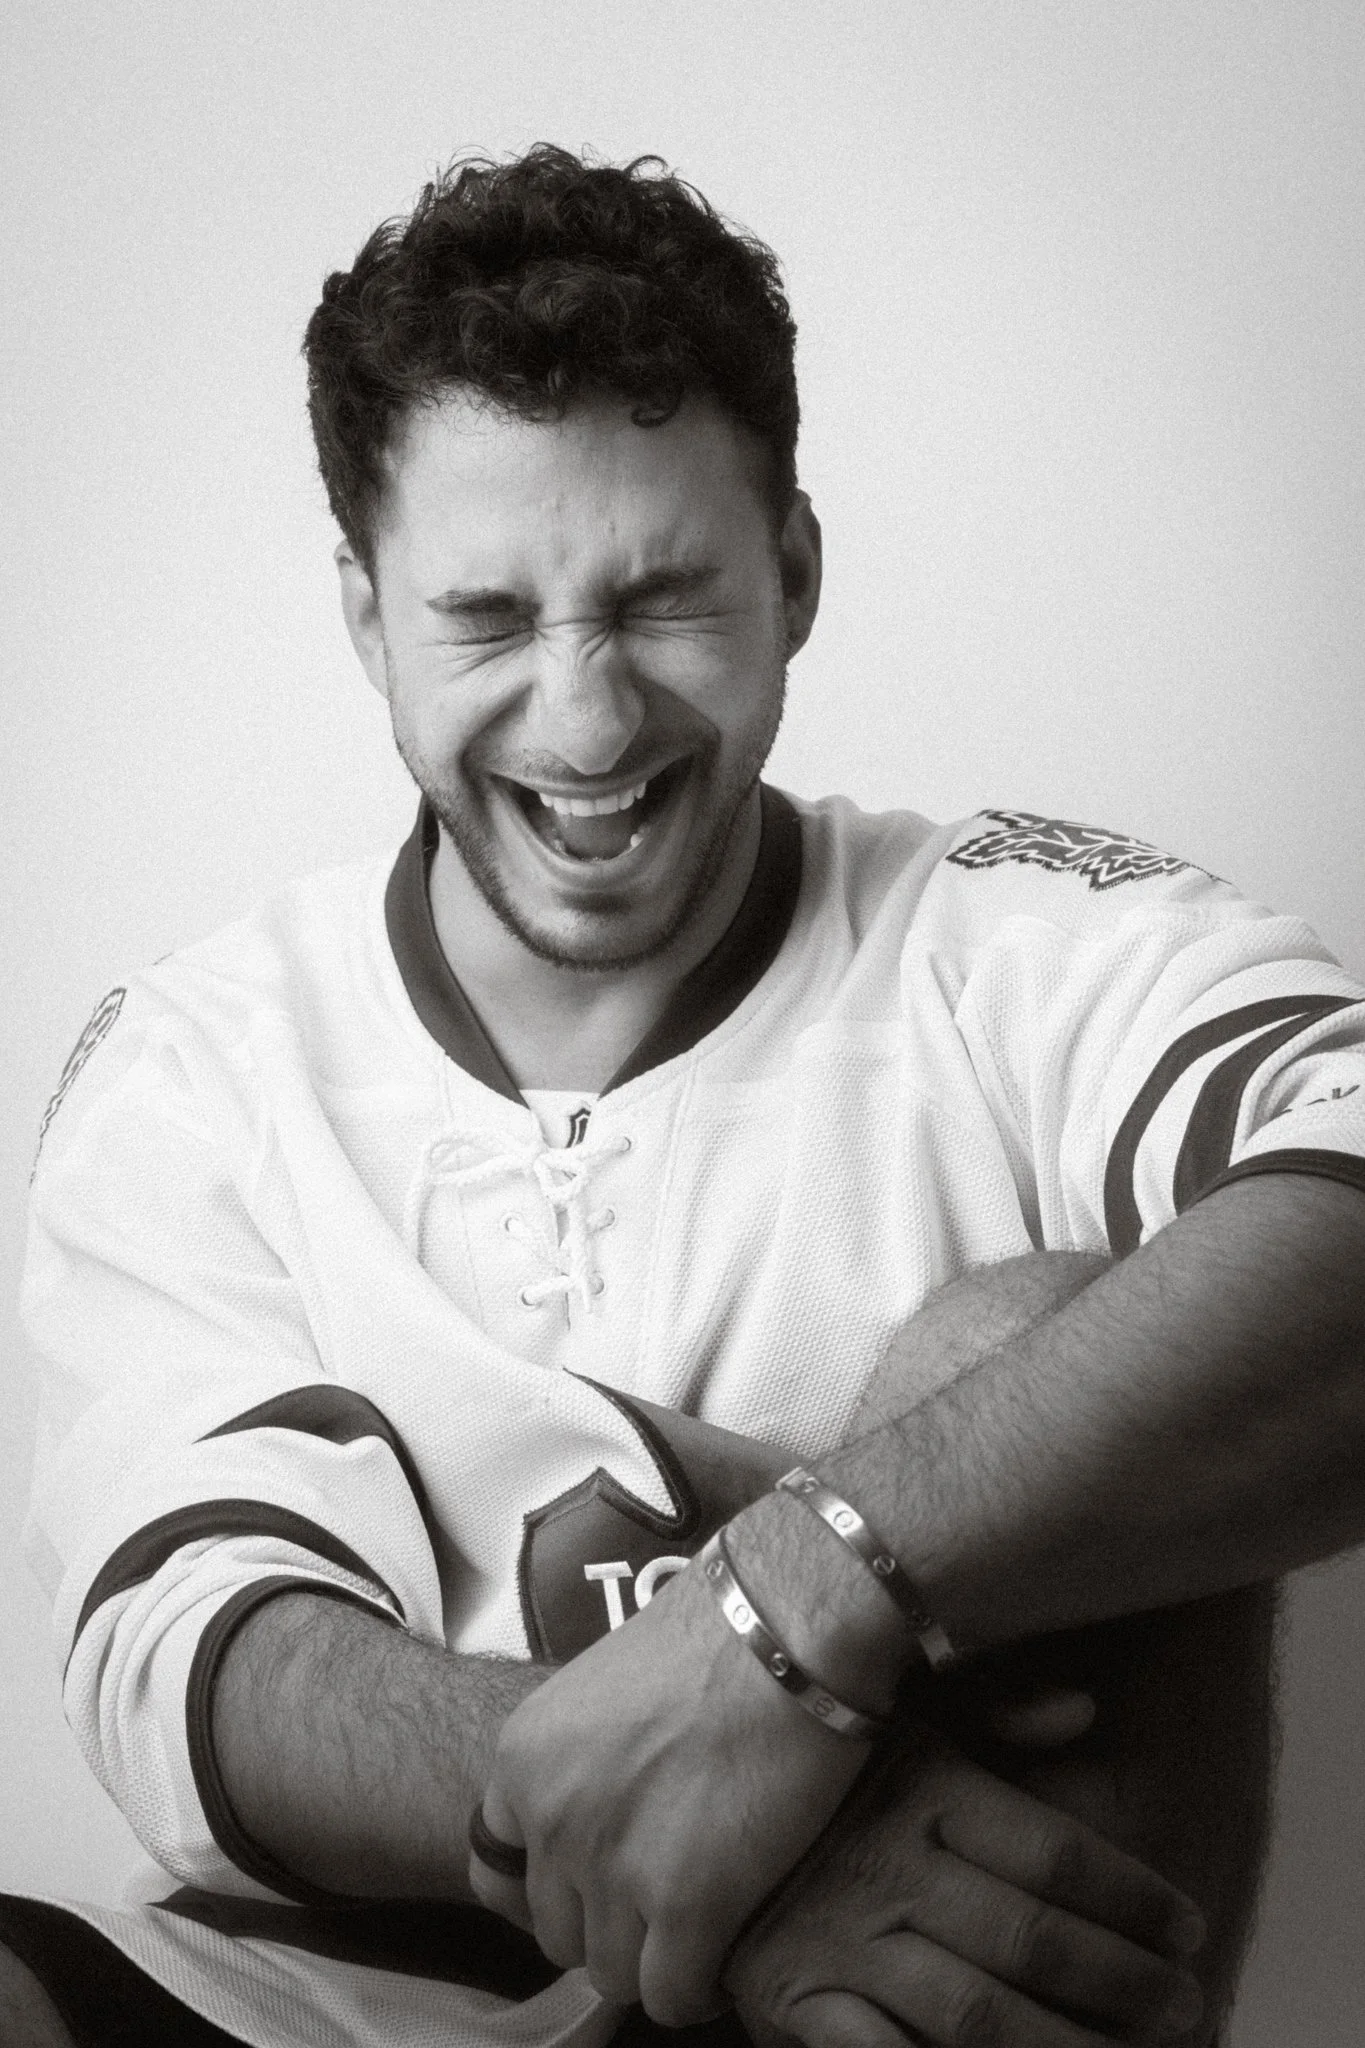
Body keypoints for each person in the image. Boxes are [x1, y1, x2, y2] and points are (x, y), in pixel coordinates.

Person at [4, 144, 1363, 2048]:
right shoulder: (192, 1060)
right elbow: (210, 1669)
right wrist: (770, 1849)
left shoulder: (1026, 944)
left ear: (792, 573)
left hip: (901, 2018)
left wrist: (804, 1607)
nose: (584, 718)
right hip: (323, 2005)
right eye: (485, 617)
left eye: (662, 598)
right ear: (365, 617)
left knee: (1034, 1327)